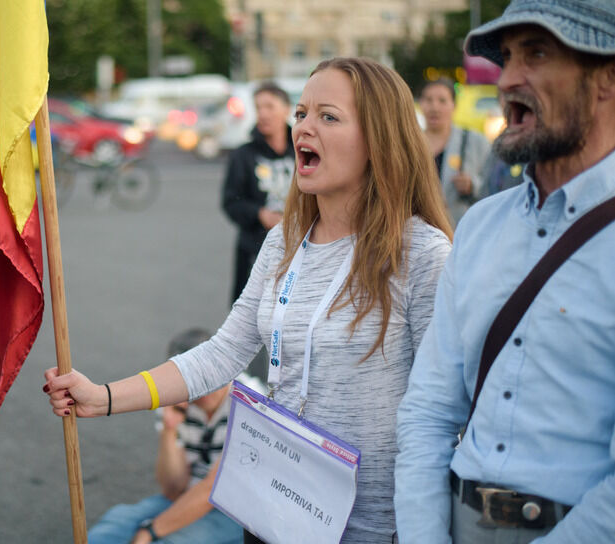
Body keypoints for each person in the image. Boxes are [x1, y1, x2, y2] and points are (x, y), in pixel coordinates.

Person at [45, 57, 453, 543]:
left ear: (379, 139)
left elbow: (441, 410)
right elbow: (222, 353)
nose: (304, 127)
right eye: (301, 113)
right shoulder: (285, 241)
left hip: (374, 528)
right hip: (273, 515)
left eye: (329, 116)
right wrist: (105, 397)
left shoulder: (422, 252)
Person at [395, 1, 615, 542]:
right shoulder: (480, 226)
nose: (508, 78)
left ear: (606, 79)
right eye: (508, 58)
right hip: (457, 522)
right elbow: (426, 410)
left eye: (537, 54)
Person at [87, 328, 242, 544]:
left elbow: (212, 489)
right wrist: (170, 428)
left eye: (206, 378)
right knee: (110, 530)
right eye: (193, 382)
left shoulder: (249, 402)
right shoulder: (177, 398)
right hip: (183, 497)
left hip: (232, 510)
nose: (202, 390)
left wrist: (150, 531)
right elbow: (173, 487)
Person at [222, 81, 295, 304]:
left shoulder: (304, 150)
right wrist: (260, 214)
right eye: (258, 107)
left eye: (269, 106)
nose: (263, 114)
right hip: (255, 249)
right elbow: (230, 202)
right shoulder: (243, 155)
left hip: (298, 248)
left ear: (287, 109)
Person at [418, 78, 491, 225]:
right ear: (420, 104)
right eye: (428, 100)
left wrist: (472, 185)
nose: (434, 107)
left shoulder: (474, 141)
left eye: (442, 101)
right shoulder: (411, 144)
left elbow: (494, 185)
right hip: (422, 234)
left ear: (454, 105)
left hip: (461, 231)